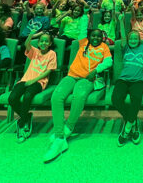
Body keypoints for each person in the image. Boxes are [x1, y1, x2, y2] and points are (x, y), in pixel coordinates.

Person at [45, 29, 112, 163]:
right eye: (93, 35)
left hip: (87, 79)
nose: (96, 38)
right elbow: (83, 26)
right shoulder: (83, 43)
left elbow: (109, 61)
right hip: (71, 76)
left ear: (102, 38)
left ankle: (68, 127)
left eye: (99, 37)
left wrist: (96, 70)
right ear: (89, 36)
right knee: (56, 97)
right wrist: (85, 12)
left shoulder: (104, 47)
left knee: (79, 96)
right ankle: (60, 136)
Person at [9, 30, 57, 143]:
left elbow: (49, 71)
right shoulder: (35, 51)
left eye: (46, 41)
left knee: (27, 96)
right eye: (41, 41)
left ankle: (22, 125)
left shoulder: (52, 54)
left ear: (50, 43)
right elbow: (26, 44)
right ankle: (26, 117)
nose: (43, 43)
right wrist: (33, 35)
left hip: (39, 82)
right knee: (12, 98)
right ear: (38, 43)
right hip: (25, 80)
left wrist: (34, 80)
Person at [113, 30, 143, 147]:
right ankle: (132, 121)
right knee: (115, 99)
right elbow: (122, 36)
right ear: (128, 40)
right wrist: (121, 20)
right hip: (123, 79)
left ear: (139, 40)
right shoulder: (125, 47)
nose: (133, 41)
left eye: (135, 38)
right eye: (131, 38)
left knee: (136, 99)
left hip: (138, 80)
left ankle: (126, 130)